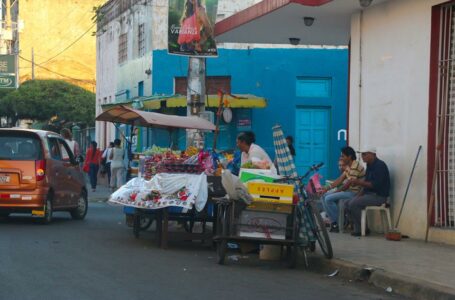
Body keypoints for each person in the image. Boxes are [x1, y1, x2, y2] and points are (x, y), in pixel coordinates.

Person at [345, 146, 390, 236]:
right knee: (347, 203)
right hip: (369, 194)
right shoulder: (369, 165)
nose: (362, 156)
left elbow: (374, 184)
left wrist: (357, 182)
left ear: (372, 154)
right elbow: (366, 183)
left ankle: (363, 228)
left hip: (379, 196)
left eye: (365, 154)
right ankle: (358, 227)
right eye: (362, 154)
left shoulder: (380, 166)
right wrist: (359, 194)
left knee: (354, 203)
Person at [321, 146, 365, 233]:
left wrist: (336, 191)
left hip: (354, 193)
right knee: (323, 196)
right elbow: (339, 180)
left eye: (343, 156)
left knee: (328, 198)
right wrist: (326, 189)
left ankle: (338, 222)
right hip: (348, 192)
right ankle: (335, 222)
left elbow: (348, 184)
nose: (341, 158)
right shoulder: (349, 166)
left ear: (349, 156)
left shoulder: (355, 166)